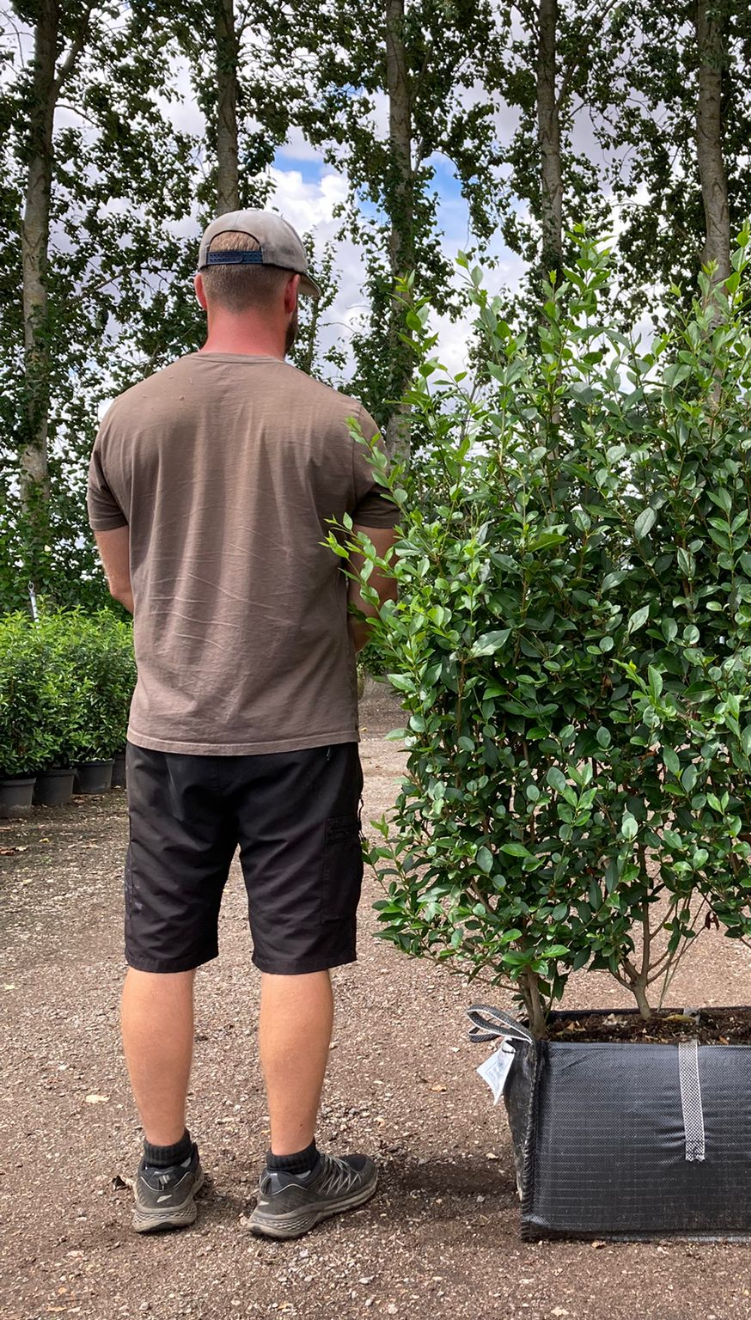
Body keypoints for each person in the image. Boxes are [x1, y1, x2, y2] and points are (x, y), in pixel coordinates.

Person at [86, 209, 398, 1240]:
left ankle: (165, 1174)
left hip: (170, 729)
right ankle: (290, 1176)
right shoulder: (336, 422)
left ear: (197, 292)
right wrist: (329, 633)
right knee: (294, 953)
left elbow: (127, 585)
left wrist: (185, 626)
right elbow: (377, 584)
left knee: (158, 951)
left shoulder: (129, 418)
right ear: (293, 296)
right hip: (299, 731)